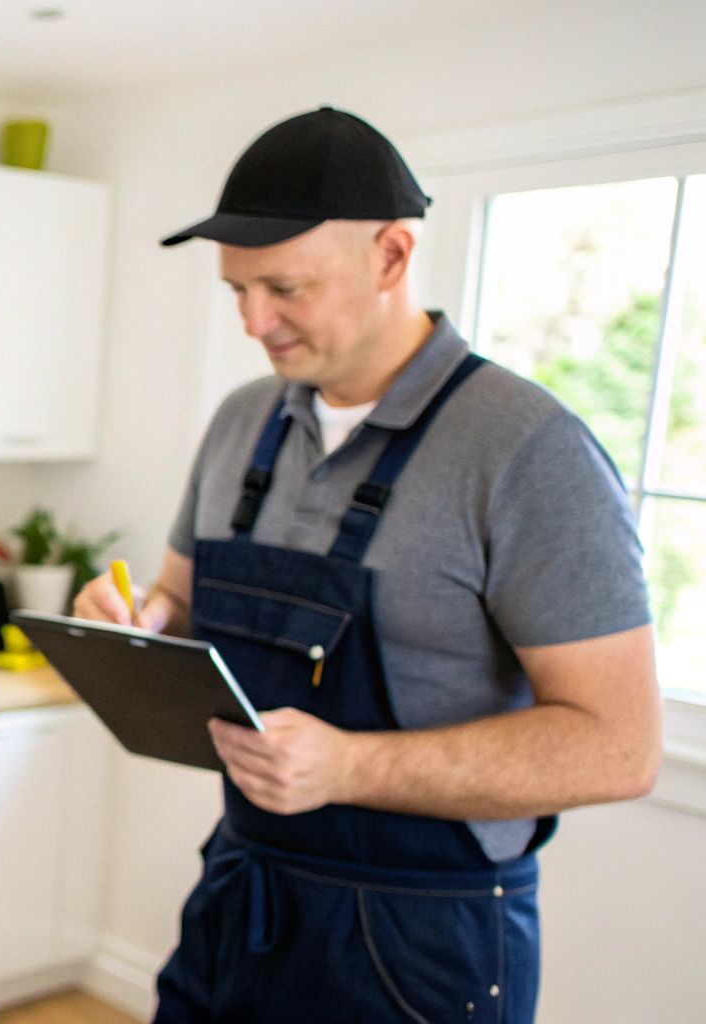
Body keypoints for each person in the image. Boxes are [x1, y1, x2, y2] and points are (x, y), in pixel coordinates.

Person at [73, 108, 661, 1023]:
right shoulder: (242, 421)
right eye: (237, 290)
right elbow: (177, 606)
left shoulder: (526, 451)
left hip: (418, 944)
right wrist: (136, 623)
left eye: (284, 287)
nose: (253, 321)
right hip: (243, 888)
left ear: (391, 255)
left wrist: (350, 767)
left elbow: (620, 748)